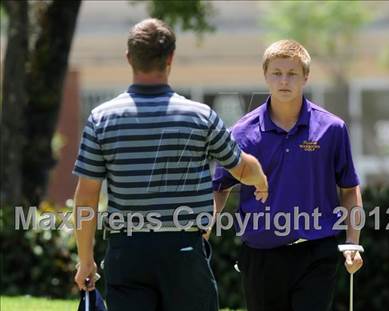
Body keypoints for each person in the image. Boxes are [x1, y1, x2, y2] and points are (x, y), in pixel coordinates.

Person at [72, 18, 268, 311]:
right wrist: (260, 180)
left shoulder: (102, 118)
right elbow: (240, 167)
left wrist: (85, 260)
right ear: (170, 58)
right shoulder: (199, 116)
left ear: (129, 58)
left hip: (128, 252)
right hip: (184, 250)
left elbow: (86, 195)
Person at [213, 39, 363, 311]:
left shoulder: (332, 129)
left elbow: (350, 189)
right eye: (277, 73)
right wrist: (204, 228)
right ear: (266, 76)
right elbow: (220, 187)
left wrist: (353, 243)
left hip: (317, 251)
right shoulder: (241, 133)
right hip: (261, 255)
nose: (284, 81)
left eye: (292, 74)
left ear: (306, 77)